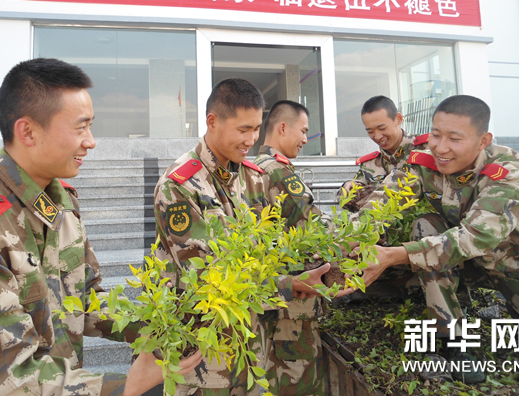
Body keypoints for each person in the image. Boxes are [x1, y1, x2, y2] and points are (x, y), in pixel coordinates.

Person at [0, 58, 202, 396]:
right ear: (27, 131)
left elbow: (84, 299)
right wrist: (125, 386)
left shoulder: (63, 202)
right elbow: (0, 376)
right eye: (80, 127)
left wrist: (156, 325)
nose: (91, 141)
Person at [154, 78, 351, 395]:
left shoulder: (252, 177)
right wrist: (289, 285)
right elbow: (209, 275)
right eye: (243, 129)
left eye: (256, 129)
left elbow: (284, 242)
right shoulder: (181, 185)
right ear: (212, 122)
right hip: (206, 350)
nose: (252, 139)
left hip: (253, 340)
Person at [353, 95, 519, 383]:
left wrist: (394, 255)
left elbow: (475, 236)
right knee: (427, 225)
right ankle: (455, 341)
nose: (441, 147)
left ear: (483, 141)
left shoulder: (507, 172)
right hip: (464, 263)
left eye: (455, 139)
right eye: (436, 135)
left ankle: (516, 322)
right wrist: (344, 242)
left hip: (518, 268)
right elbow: (380, 204)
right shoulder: (423, 161)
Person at [253, 100, 326, 396]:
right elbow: (315, 228)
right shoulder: (279, 172)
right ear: (283, 128)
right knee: (299, 381)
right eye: (304, 130)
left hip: (271, 293)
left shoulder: (252, 168)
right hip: (293, 303)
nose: (306, 139)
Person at [339, 95, 429, 211]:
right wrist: (347, 189)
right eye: (370, 131)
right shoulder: (370, 164)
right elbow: (346, 199)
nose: (377, 136)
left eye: (382, 128)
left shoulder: (425, 150)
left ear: (399, 119)